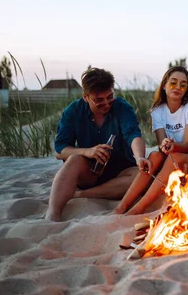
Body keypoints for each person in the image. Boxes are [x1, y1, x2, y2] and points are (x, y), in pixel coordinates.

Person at [46, 68, 150, 221]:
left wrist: (140, 157)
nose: (106, 103)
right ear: (85, 97)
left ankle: (81, 195)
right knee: (74, 159)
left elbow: (133, 135)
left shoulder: (122, 108)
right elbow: (60, 150)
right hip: (89, 171)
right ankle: (53, 214)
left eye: (109, 97)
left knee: (143, 176)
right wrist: (88, 152)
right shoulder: (73, 111)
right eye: (99, 100)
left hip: (120, 172)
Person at [115, 66, 188, 215]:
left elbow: (186, 146)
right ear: (164, 85)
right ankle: (121, 207)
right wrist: (165, 145)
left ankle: (137, 209)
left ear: (187, 89)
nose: (178, 87)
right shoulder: (157, 110)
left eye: (183, 84)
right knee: (155, 156)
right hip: (175, 160)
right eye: (173, 83)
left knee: (174, 157)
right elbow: (162, 149)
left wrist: (172, 146)